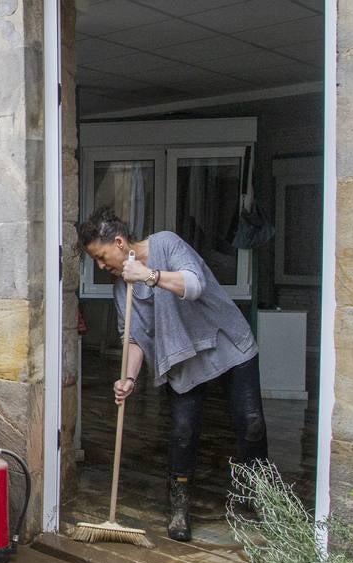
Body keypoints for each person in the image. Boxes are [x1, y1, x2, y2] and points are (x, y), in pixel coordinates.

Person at [78, 207, 268, 541]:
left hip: (226, 342)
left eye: (100, 255)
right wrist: (129, 379)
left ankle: (264, 496)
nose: (100, 265)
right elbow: (133, 338)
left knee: (250, 422)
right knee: (182, 432)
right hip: (181, 357)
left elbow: (194, 284)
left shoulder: (166, 244)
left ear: (120, 242)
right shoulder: (121, 289)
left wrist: (149, 276)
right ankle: (179, 506)